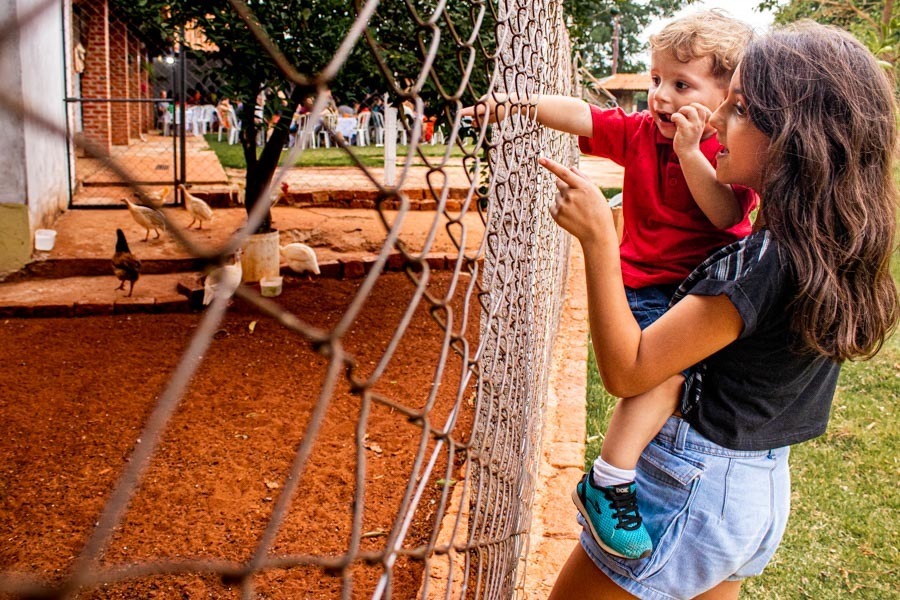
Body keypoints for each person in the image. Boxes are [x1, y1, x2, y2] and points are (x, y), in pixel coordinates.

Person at [539, 21, 897, 599]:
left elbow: (629, 371)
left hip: (693, 486)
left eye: (738, 109)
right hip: (757, 488)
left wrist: (600, 241)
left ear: (791, 134)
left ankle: (608, 482)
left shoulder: (756, 266)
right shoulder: (827, 243)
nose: (716, 122)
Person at [462, 10, 757, 560]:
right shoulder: (641, 133)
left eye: (681, 84)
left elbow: (722, 215)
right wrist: (518, 105)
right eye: (655, 80)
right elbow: (582, 115)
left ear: (724, 98)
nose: (661, 97)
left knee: (692, 374)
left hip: (705, 288)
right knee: (663, 373)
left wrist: (691, 153)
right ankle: (609, 478)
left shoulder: (728, 151)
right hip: (649, 287)